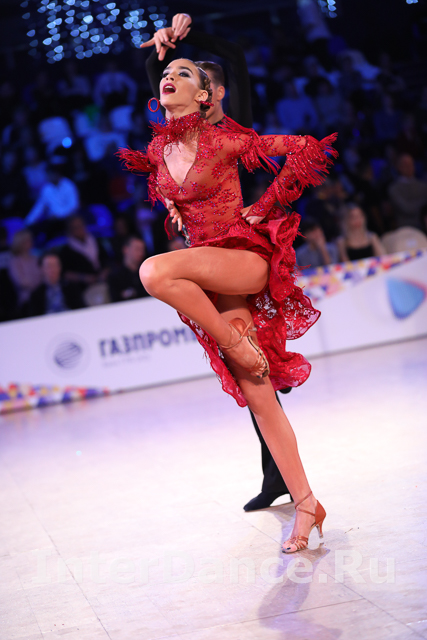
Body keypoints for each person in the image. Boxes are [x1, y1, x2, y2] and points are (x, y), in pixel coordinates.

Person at [118, 55, 338, 553]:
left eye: (183, 74)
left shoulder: (223, 140)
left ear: (204, 96)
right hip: (213, 277)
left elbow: (304, 147)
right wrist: (171, 202)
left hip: (242, 258)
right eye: (165, 74)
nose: (169, 77)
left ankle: (233, 343)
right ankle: (307, 503)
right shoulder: (156, 150)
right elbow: (165, 185)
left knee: (154, 271)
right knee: (260, 396)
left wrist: (264, 205)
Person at [144, 14, 292, 511]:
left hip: (242, 251)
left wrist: (192, 37)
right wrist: (165, 46)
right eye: (175, 75)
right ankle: (277, 475)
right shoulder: (175, 139)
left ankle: (282, 475)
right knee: (251, 370)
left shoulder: (230, 127)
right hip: (208, 258)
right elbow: (161, 80)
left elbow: (234, 60)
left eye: (194, 77)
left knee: (257, 363)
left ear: (215, 93)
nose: (176, 81)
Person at [8, 229, 41, 312]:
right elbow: (21, 282)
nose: (30, 242)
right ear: (20, 243)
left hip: (41, 295)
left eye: (30, 240)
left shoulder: (35, 258)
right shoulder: (15, 261)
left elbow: (42, 276)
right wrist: (36, 285)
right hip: (26, 299)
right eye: (27, 240)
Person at [108, 237, 149, 303]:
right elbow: (115, 300)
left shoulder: (147, 273)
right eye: (137, 249)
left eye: (142, 249)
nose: (141, 253)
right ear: (125, 249)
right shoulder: (115, 276)